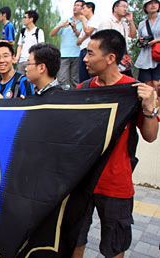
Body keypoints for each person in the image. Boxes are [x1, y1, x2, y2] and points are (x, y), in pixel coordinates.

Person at [73, 29, 158, 258]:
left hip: (116, 185)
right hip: (83, 182)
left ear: (110, 58)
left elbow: (150, 136)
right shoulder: (83, 90)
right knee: (74, 241)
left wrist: (150, 107)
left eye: (90, 54)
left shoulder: (134, 92)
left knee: (114, 247)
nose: (85, 59)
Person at [50, 0, 84, 89]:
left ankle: (74, 100)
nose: (75, 7)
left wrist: (75, 29)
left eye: (78, 5)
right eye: (74, 5)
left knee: (75, 80)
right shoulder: (65, 20)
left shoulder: (85, 22)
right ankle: (60, 99)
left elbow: (84, 37)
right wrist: (61, 26)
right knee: (61, 79)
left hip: (78, 54)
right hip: (64, 55)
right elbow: (52, 34)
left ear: (83, 8)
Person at [99, 0, 137, 77]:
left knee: (128, 81)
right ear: (115, 8)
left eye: (127, 7)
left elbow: (133, 35)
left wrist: (131, 21)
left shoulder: (124, 24)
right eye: (123, 6)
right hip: (111, 57)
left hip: (123, 58)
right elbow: (103, 40)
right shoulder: (107, 22)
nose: (125, 9)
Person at [135, 0, 160, 89]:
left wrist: (156, 41)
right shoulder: (142, 24)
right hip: (146, 57)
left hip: (158, 55)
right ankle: (150, 103)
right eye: (150, 3)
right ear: (145, 7)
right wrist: (141, 41)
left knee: (157, 84)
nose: (153, 5)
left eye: (155, 2)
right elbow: (140, 39)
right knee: (147, 86)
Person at [77, 2, 101, 83]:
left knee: (92, 77)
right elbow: (78, 41)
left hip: (91, 51)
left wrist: (83, 20)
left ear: (90, 8)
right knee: (83, 77)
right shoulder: (87, 23)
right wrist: (86, 36)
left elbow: (87, 31)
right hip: (82, 50)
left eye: (84, 8)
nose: (82, 11)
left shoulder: (95, 19)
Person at [15, 10, 45, 75]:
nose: (23, 19)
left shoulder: (38, 31)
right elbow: (20, 45)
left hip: (32, 61)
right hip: (21, 61)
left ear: (31, 19)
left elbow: (41, 47)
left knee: (32, 82)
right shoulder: (23, 31)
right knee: (20, 81)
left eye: (25, 17)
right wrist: (17, 57)